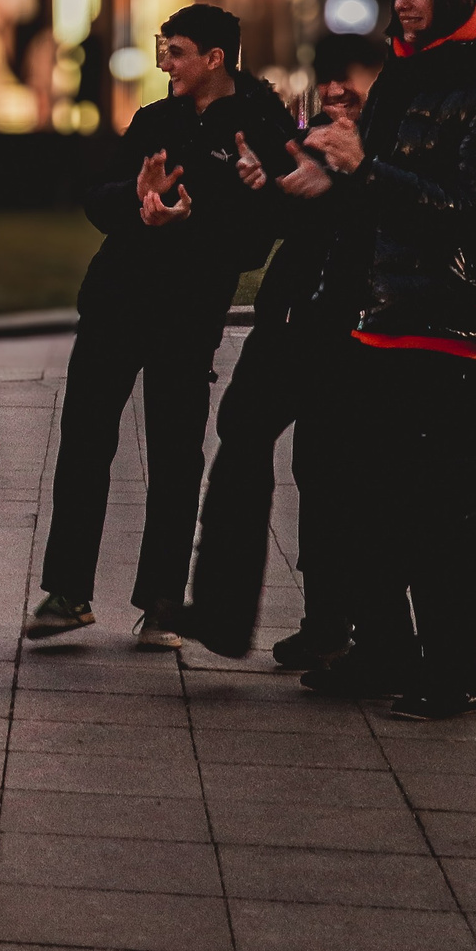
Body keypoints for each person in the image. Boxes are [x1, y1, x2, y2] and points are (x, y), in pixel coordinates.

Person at [299, 0, 476, 720]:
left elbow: (470, 210)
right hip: (378, 319)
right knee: (369, 502)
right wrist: (331, 162)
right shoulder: (406, 74)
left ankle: (453, 671)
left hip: (443, 321)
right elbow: (377, 198)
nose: (403, 2)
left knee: (443, 513)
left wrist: (366, 167)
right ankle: (386, 651)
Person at [26, 4, 296, 648]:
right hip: (116, 298)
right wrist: (136, 203)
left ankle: (162, 602)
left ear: (214, 58)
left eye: (176, 52)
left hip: (188, 309)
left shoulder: (262, 124)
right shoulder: (155, 118)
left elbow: (264, 233)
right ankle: (68, 594)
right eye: (163, 51)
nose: (165, 64)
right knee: (85, 439)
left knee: (176, 454)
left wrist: (194, 220)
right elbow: (100, 197)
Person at [178, 35, 383, 660]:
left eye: (352, 78)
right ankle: (224, 611)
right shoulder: (317, 135)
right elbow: (283, 226)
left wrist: (347, 177)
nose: (337, 91)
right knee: (245, 434)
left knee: (327, 469)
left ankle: (331, 624)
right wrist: (264, 186)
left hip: (350, 326)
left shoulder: (390, 141)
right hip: (292, 317)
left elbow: (390, 217)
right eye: (329, 79)